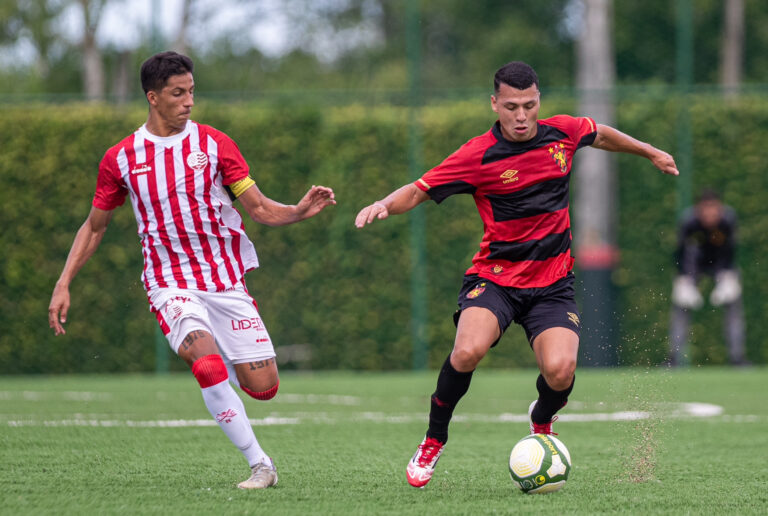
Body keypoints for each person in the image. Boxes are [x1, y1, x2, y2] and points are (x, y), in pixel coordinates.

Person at [354, 61, 678, 488]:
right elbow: (419, 189)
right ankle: (434, 439)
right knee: (467, 351)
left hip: (553, 285)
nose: (521, 116)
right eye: (511, 107)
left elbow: (600, 133)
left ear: (539, 100)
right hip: (496, 280)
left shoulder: (562, 133)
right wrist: (384, 204)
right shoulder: (477, 155)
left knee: (560, 371)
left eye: (529, 105)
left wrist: (649, 150)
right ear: (495, 104)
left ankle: (540, 420)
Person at [47, 51, 335, 489]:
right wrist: (63, 282)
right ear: (153, 97)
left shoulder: (215, 145)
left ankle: (225, 362)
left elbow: (258, 208)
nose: (188, 102)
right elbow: (94, 226)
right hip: (168, 283)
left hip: (223, 281)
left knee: (263, 387)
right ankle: (261, 465)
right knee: (206, 366)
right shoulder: (121, 158)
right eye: (178, 94)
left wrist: (297, 211)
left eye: (192, 92)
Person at [669, 189, 747, 366]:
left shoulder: (728, 220)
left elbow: (730, 250)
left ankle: (738, 358)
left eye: (714, 209)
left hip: (721, 266)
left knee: (733, 304)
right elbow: (682, 251)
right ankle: (673, 358)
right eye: (706, 209)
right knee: (681, 306)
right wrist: (684, 279)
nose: (711, 214)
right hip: (694, 267)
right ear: (699, 209)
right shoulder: (689, 221)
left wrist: (727, 276)